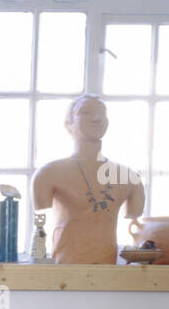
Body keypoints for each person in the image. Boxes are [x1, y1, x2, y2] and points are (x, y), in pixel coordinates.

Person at [31, 95, 146, 264]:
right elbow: (39, 229)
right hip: (64, 276)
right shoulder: (48, 174)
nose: (97, 118)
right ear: (68, 124)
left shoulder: (129, 178)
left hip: (109, 277)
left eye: (102, 113)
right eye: (85, 112)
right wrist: (37, 267)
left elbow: (138, 235)